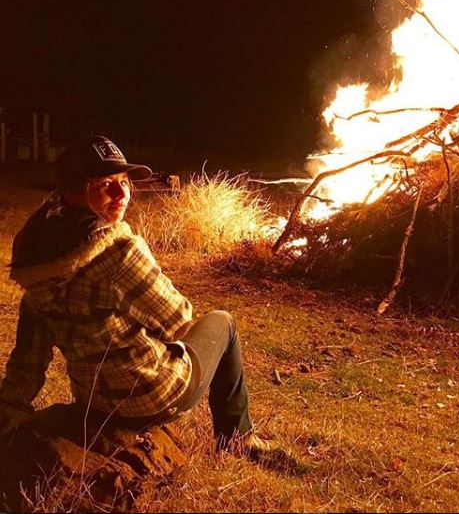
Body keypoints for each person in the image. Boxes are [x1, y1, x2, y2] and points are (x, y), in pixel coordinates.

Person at [0, 135, 272, 458]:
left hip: (93, 405)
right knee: (223, 323)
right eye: (105, 184)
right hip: (150, 400)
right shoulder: (119, 250)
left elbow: (28, 364)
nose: (122, 194)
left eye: (125, 182)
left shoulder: (36, 263)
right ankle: (238, 440)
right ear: (73, 191)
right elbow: (180, 320)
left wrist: (9, 418)